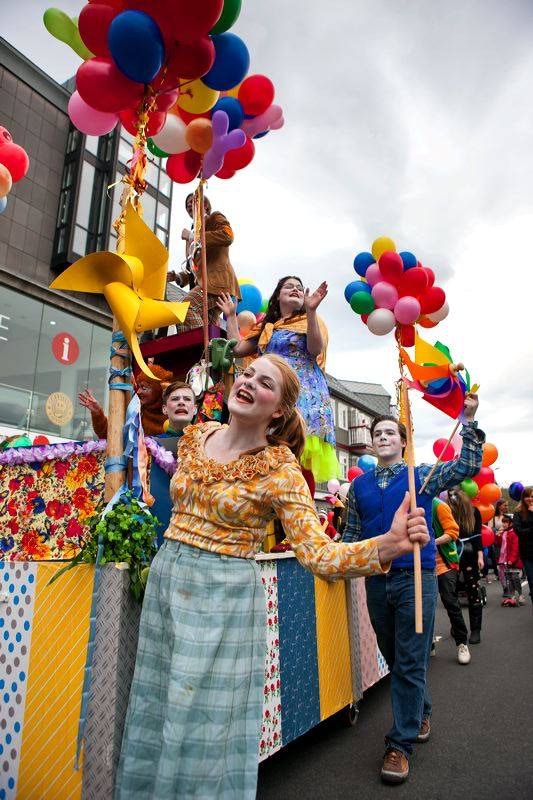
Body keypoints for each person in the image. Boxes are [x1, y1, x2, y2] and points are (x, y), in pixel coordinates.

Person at [114, 355, 430, 800]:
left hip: (224, 601)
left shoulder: (281, 470)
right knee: (158, 704)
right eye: (247, 374)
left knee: (204, 723)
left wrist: (389, 544)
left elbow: (318, 554)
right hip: (168, 582)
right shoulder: (196, 436)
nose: (247, 382)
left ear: (279, 409)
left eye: (264, 383)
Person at [342, 393, 483, 784]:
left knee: (409, 661)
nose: (383, 437)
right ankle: (421, 711)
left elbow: (468, 465)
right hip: (376, 579)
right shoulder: (358, 488)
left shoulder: (422, 475)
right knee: (396, 657)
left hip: (415, 579)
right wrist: (332, 559)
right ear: (373, 443)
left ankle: (399, 745)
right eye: (378, 433)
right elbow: (349, 536)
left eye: (391, 432)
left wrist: (468, 420)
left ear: (403, 442)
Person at [218, 275, 339, 482]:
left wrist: (311, 311)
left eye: (299, 287)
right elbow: (237, 349)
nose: (295, 289)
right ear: (278, 296)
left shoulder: (311, 320)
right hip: (269, 392)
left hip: (303, 396)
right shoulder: (267, 326)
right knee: (265, 448)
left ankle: (298, 496)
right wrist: (230, 316)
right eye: (289, 286)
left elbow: (315, 349)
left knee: (297, 454)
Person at [172, 199, 241, 332]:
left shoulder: (214, 218)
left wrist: (193, 236)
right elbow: (194, 268)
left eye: (193, 201)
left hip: (218, 283)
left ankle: (202, 344)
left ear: (206, 205)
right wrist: (177, 277)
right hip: (208, 284)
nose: (189, 205)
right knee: (206, 325)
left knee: (185, 308)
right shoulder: (194, 232)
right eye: (187, 204)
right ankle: (207, 345)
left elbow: (228, 236)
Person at [78, 364, 174, 439]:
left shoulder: (174, 412)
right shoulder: (135, 412)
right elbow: (109, 435)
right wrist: (97, 412)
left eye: (144, 388)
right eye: (139, 387)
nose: (138, 392)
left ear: (158, 390)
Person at [432, 497, 471, 664]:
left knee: (450, 602)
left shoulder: (438, 506)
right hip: (421, 566)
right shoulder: (408, 505)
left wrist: (431, 543)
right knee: (424, 608)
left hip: (444, 564)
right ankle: (429, 643)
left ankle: (462, 643)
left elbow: (453, 533)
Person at [447, 489, 484, 643]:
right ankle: (457, 625)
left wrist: (480, 556)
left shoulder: (474, 512)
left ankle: (475, 630)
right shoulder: (447, 511)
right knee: (451, 592)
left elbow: (477, 536)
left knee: (473, 591)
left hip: (469, 555)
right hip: (451, 555)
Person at [512, 486, 533, 609]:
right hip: (527, 553)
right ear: (523, 498)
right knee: (532, 581)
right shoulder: (518, 512)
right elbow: (518, 531)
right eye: (527, 496)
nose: (530, 499)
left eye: (532, 496)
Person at [499, 514, 526, 606]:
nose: (504, 524)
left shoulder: (514, 533)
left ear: (511, 523)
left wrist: (512, 559)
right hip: (505, 559)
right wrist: (497, 536)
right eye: (503, 522)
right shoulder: (504, 533)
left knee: (515, 578)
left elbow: (516, 548)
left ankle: (521, 595)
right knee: (509, 579)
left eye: (506, 522)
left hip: (514, 560)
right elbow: (499, 545)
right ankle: (512, 596)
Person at [490, 498, 509, 579]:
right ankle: (499, 573)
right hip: (497, 540)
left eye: (507, 505)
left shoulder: (507, 517)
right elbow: (490, 528)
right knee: (497, 556)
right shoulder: (493, 517)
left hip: (506, 539)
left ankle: (506, 572)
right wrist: (497, 532)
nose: (506, 507)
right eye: (505, 505)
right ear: (499, 506)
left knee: (506, 555)